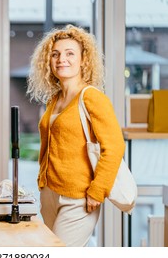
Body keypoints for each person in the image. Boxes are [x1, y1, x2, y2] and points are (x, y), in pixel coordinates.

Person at [26, 25, 125, 246]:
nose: (62, 59)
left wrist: (97, 191)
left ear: (83, 61)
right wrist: (43, 183)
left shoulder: (92, 98)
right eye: (55, 54)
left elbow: (115, 146)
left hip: (78, 198)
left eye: (70, 53)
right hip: (49, 193)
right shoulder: (55, 100)